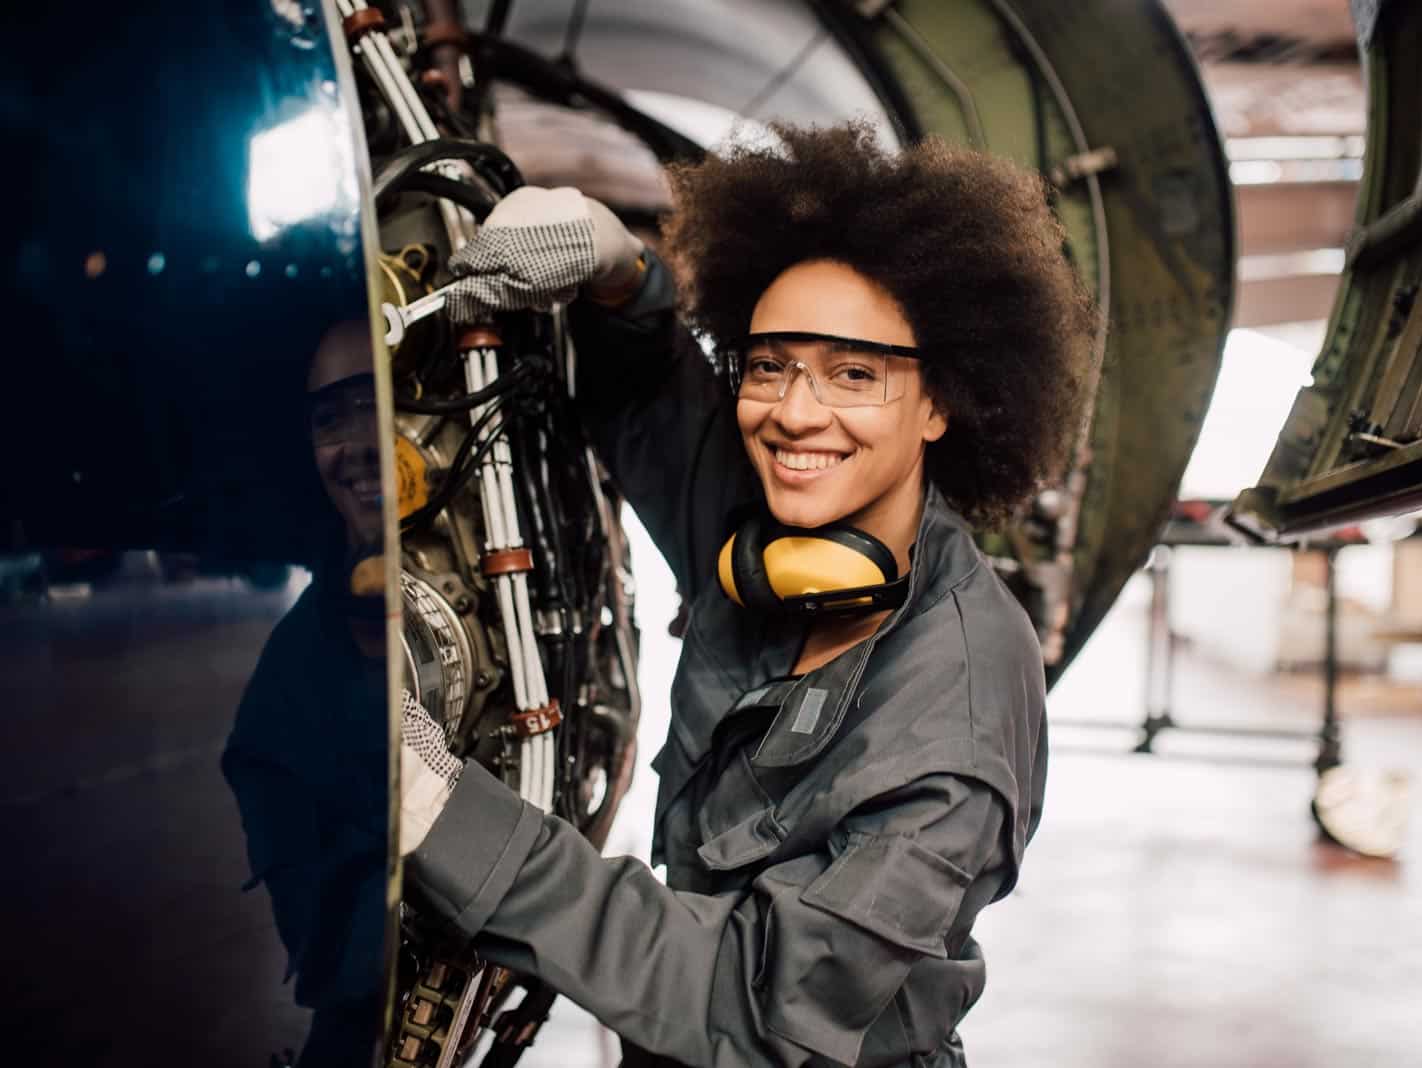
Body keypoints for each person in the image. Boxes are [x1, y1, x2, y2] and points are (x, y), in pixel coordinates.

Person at [402, 121, 1096, 1067]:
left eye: (855, 373)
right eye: (769, 365)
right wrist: (620, 273)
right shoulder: (781, 539)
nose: (795, 413)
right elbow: (655, 393)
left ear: (941, 402)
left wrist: (439, 811)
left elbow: (757, 1001)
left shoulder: (957, 709)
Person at [223, 321, 389, 1067]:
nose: (355, 443)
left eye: (375, 401)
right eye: (330, 419)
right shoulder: (286, 691)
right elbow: (340, 977)